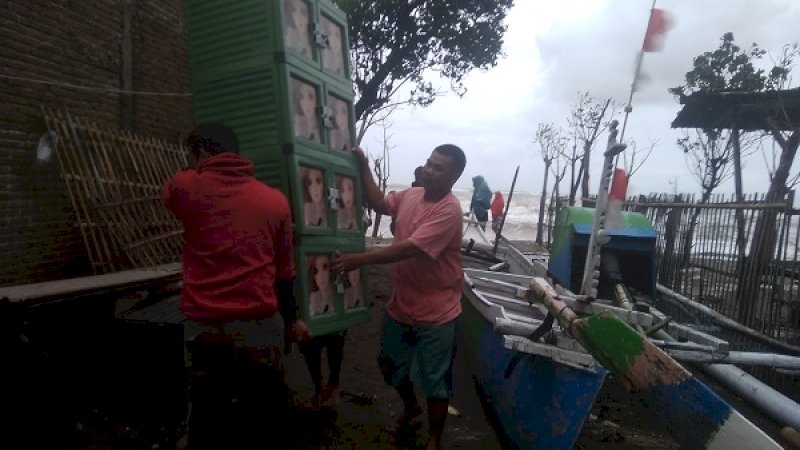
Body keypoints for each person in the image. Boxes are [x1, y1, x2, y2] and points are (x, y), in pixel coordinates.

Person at [162, 123, 310, 449]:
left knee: (207, 413)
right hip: (260, 326)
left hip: (206, 326)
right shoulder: (275, 201)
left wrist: (194, 166)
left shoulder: (185, 187)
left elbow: (171, 195)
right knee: (261, 416)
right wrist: (291, 319)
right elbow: (285, 271)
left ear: (200, 153)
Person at [332, 144, 466, 450]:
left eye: (439, 168)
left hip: (438, 311)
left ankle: (434, 438)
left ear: (455, 176)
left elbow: (410, 248)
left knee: (435, 380)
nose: (430, 171)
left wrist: (360, 258)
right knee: (389, 365)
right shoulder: (411, 195)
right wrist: (363, 164)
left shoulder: (449, 210)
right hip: (403, 304)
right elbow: (379, 202)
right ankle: (411, 407)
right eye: (429, 164)